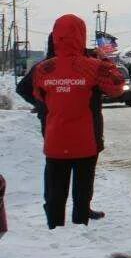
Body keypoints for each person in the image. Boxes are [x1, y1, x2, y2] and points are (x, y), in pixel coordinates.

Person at [32, 14, 125, 229]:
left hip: (55, 139)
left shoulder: (43, 69)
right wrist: (103, 59)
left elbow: (39, 96)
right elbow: (117, 86)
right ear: (81, 35)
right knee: (83, 186)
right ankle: (80, 222)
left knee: (55, 186)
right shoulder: (94, 66)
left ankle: (54, 224)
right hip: (85, 141)